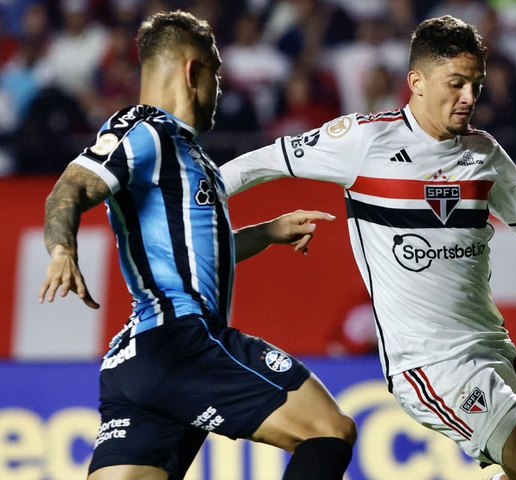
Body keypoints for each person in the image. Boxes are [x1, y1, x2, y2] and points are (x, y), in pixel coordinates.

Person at [222, 15, 516, 480]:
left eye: (476, 85)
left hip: (493, 348)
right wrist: (192, 203)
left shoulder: (483, 152)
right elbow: (259, 164)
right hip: (430, 363)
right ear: (416, 82)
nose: (468, 98)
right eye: (456, 83)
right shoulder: (365, 140)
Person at [38, 10, 355, 480]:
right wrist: (62, 249)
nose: (221, 89)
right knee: (328, 430)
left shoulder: (188, 153)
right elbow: (70, 187)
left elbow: (192, 250)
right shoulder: (143, 129)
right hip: (182, 339)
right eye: (217, 74)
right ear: (193, 71)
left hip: (140, 361)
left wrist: (266, 234)